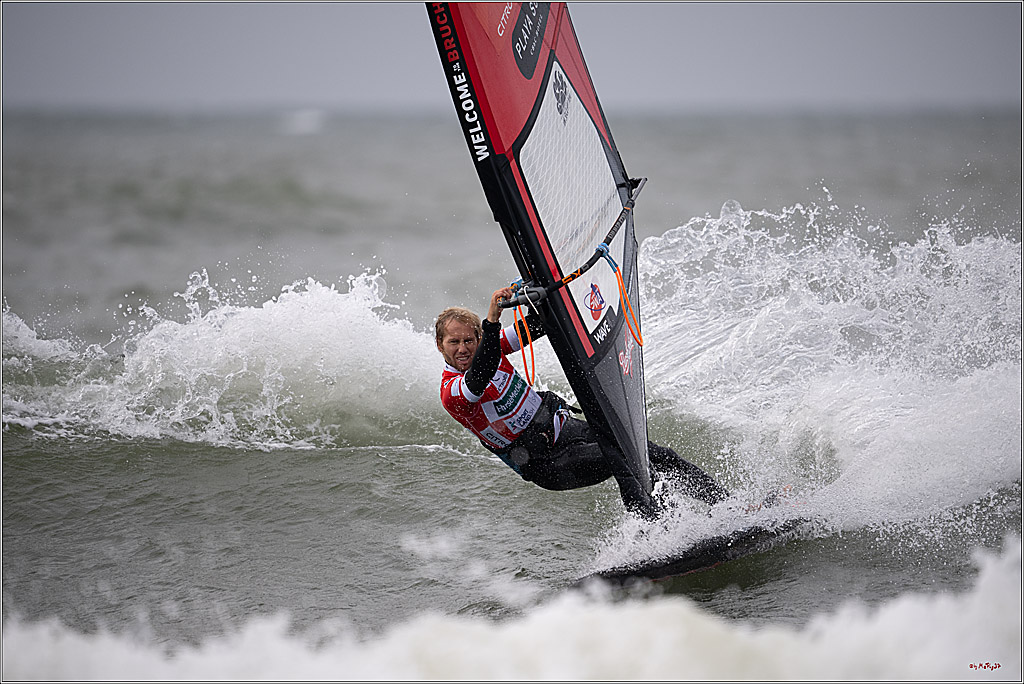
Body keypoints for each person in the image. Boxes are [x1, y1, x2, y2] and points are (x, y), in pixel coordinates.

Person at [436, 286, 730, 520]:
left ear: (478, 339)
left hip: (567, 431)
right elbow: (482, 372)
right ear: (441, 346)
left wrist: (540, 291)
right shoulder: (453, 391)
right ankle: (653, 532)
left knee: (655, 454)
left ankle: (727, 507)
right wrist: (493, 320)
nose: (463, 349)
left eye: (469, 341)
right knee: (624, 458)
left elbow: (539, 325)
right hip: (547, 464)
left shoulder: (490, 347)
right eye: (454, 342)